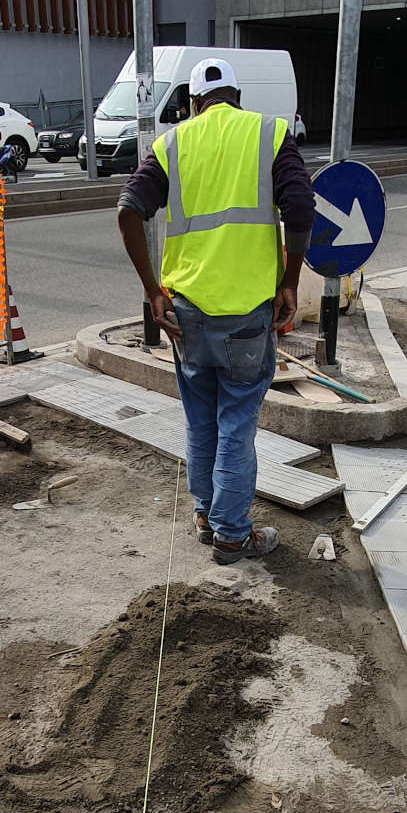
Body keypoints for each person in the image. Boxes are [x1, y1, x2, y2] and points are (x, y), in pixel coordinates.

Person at [115, 57, 315, 564]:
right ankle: (230, 534)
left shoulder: (172, 144)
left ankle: (206, 513)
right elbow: (301, 206)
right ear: (237, 98)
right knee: (237, 425)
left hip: (187, 315)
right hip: (247, 313)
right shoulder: (268, 134)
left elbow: (127, 209)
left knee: (201, 418)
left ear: (191, 103)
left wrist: (151, 291)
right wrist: (290, 282)